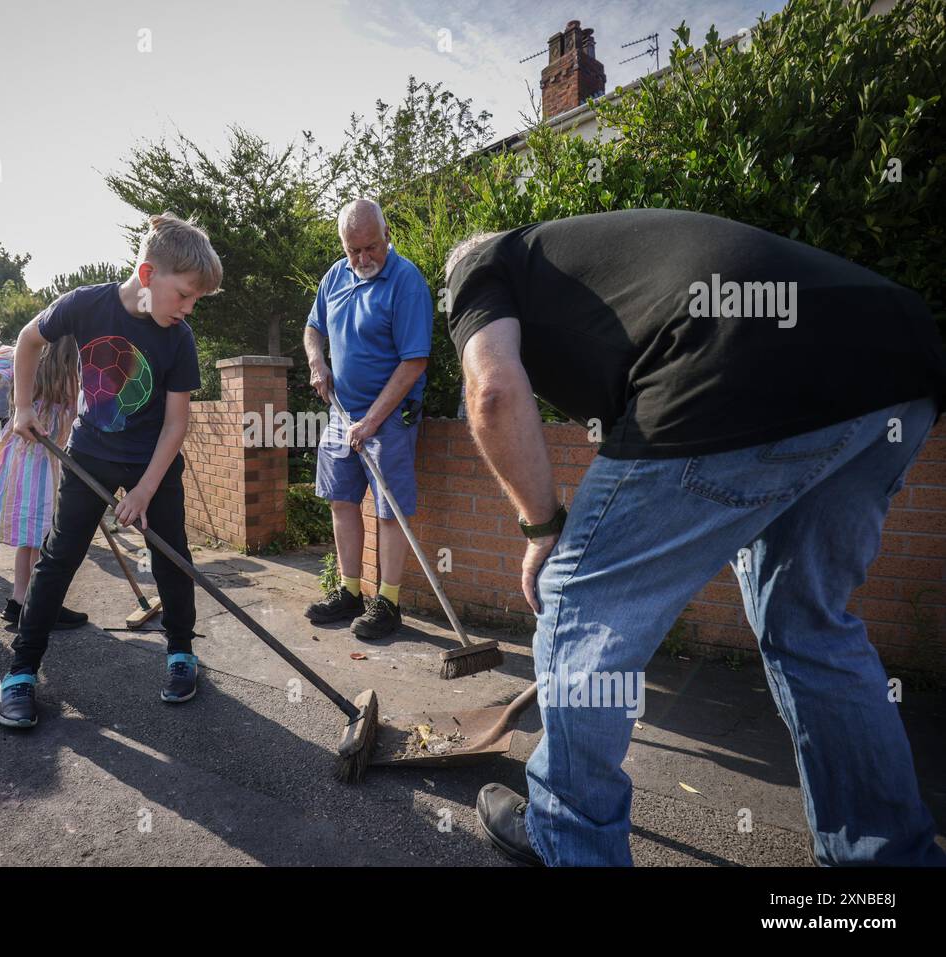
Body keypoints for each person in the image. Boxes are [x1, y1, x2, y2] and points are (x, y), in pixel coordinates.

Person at [443, 207, 946, 867]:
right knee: (811, 627)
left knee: (577, 594)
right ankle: (885, 864)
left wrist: (542, 528)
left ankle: (568, 840)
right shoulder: (597, 265)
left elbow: (493, 393)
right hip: (898, 362)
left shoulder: (483, 265)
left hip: (729, 360)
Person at [0, 212, 221, 728]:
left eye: (196, 301)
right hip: (90, 451)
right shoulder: (86, 305)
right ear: (147, 276)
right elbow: (30, 339)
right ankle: (21, 672)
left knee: (172, 557)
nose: (188, 309)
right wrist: (21, 406)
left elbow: (176, 423)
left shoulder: (178, 338)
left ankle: (181, 654)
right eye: (185, 295)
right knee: (60, 557)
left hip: (152, 461)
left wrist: (143, 490)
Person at [303, 199, 432, 640]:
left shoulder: (407, 282)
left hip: (391, 417)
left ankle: (388, 601)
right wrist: (317, 362)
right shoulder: (335, 278)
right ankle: (350, 591)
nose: (363, 259)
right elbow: (312, 327)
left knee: (389, 509)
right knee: (342, 501)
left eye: (370, 248)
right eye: (353, 250)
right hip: (342, 414)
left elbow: (413, 362)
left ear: (387, 235)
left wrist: (374, 420)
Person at [0, 342, 88, 630]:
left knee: (30, 538)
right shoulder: (74, 379)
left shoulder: (23, 360)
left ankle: (19, 601)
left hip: (19, 461)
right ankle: (40, 605)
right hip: (46, 465)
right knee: (42, 537)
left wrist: (11, 358)